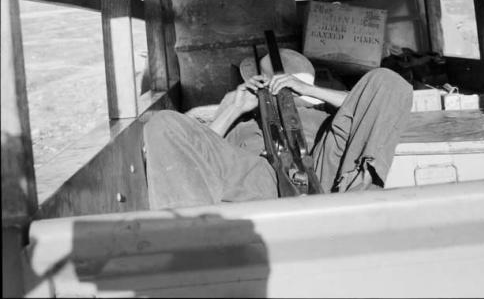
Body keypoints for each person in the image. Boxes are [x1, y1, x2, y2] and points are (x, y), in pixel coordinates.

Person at [143, 49, 413, 209]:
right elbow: (195, 153)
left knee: (388, 80)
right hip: (261, 176)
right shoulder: (244, 116)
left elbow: (380, 99)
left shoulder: (324, 110)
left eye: (289, 84)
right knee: (162, 123)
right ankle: (192, 242)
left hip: (324, 168)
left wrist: (308, 91)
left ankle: (359, 205)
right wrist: (234, 109)